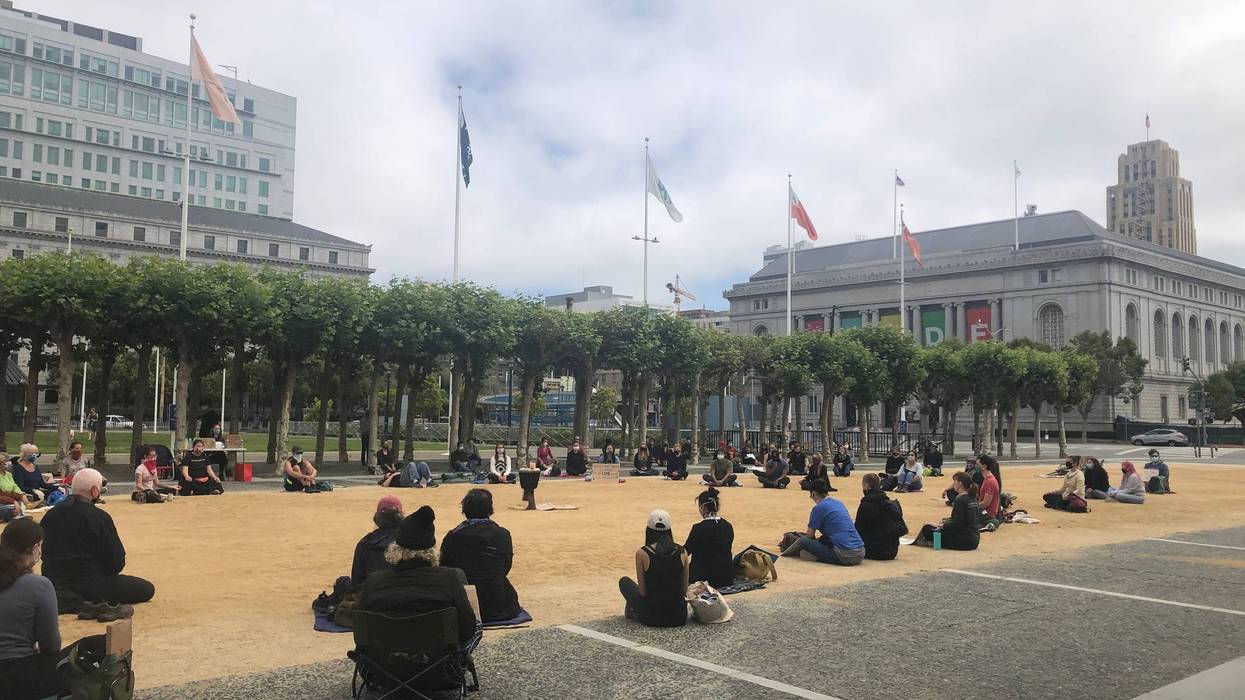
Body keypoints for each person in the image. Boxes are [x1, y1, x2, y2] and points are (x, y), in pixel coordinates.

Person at [357, 506, 479, 646]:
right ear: (432, 548)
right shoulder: (450, 578)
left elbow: (361, 629)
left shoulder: (374, 581)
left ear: (396, 547)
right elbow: (468, 627)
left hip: (384, 662)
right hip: (438, 662)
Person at [41, 469, 155, 606]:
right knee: (146, 589)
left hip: (53, 581)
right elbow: (116, 561)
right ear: (94, 491)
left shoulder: (50, 515)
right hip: (90, 582)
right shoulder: (99, 517)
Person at [0, 518, 72, 700]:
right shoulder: (38, 585)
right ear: (34, 548)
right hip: (17, 676)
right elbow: (51, 645)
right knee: (91, 648)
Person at [440, 489, 524, 623]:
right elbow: (505, 567)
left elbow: (444, 567)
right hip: (497, 604)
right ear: (490, 509)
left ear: (465, 509)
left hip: (464, 603)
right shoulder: (502, 535)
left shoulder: (452, 537)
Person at [619, 509, 689, 628]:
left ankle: (632, 610)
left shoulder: (642, 553)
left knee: (624, 582)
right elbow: (684, 590)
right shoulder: (682, 552)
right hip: (679, 616)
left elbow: (642, 591)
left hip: (653, 617)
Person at [782, 479, 865, 565]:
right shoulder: (839, 503)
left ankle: (784, 555)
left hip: (844, 556)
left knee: (803, 541)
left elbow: (809, 536)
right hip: (860, 552)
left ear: (813, 494)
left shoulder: (818, 508)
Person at [913, 472, 980, 550]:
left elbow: (956, 524)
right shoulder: (973, 498)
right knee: (942, 523)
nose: (953, 484)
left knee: (927, 529)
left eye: (955, 481)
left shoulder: (960, 500)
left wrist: (940, 526)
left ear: (960, 483)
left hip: (963, 540)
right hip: (974, 539)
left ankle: (933, 542)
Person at [683, 487, 735, 588]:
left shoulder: (698, 528)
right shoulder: (728, 526)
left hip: (702, 577)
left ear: (703, 508)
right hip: (726, 577)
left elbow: (686, 551)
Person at [352, 496, 404, 585]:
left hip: (372, 593)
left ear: (378, 518)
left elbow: (356, 581)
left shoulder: (365, 543)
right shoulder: (409, 540)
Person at [854, 473, 906, 561]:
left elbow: (858, 529)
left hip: (874, 551)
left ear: (866, 486)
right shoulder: (890, 503)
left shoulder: (866, 505)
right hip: (892, 551)